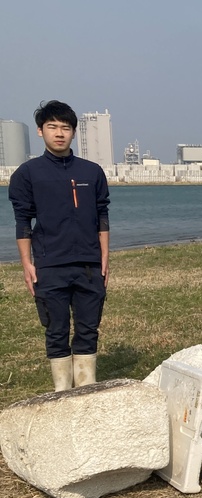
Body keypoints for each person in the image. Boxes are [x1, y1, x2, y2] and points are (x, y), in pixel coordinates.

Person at [8, 100, 110, 391]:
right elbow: (23, 222)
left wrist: (104, 256)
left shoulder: (91, 172)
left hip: (89, 265)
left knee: (88, 329)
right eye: (52, 127)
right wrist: (27, 264)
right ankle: (62, 392)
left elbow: (102, 215)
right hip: (49, 264)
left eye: (65, 127)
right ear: (40, 131)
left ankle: (87, 387)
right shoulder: (28, 174)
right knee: (56, 329)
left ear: (74, 133)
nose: (59, 133)